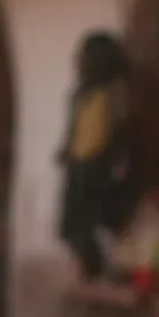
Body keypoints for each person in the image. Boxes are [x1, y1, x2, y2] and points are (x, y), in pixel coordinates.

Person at [56, 31, 134, 282]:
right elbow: (74, 127)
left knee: (92, 222)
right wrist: (65, 150)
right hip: (78, 164)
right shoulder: (80, 92)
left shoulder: (115, 91)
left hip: (99, 165)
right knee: (70, 226)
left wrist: (120, 162)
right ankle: (86, 272)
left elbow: (121, 128)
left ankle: (94, 272)